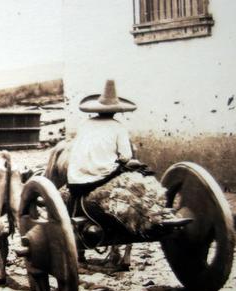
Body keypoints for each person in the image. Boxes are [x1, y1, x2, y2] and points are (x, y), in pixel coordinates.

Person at [67, 79, 179, 234]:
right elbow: (125, 157)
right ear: (116, 111)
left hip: (76, 181)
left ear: (97, 109)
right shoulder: (118, 127)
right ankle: (156, 213)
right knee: (140, 179)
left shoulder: (84, 125)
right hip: (99, 179)